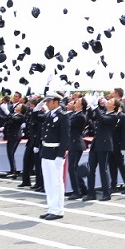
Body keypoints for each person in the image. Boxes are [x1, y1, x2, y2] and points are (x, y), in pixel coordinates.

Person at [39, 92, 70, 220]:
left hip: (55, 152)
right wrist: (39, 103)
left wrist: (60, 155)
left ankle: (58, 210)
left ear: (56, 101)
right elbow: (34, 115)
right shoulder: (48, 115)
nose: (46, 103)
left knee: (56, 183)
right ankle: (51, 207)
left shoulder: (63, 116)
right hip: (46, 151)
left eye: (49, 101)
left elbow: (65, 137)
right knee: (48, 182)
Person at [86, 96, 118, 201]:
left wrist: (96, 107)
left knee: (103, 169)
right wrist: (90, 106)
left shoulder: (114, 116)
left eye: (111, 101)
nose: (108, 101)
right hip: (96, 143)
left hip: (104, 144)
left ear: (114, 107)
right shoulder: (103, 112)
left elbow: (102, 119)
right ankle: (91, 193)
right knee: (91, 169)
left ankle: (106, 193)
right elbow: (92, 117)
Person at [107, 97, 125, 194]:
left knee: (121, 165)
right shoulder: (110, 115)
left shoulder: (122, 116)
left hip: (118, 145)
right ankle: (113, 185)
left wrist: (123, 147)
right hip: (110, 144)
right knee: (112, 165)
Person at [65, 98, 88, 199]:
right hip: (72, 143)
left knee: (72, 168)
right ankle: (82, 188)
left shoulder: (81, 116)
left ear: (81, 105)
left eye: (77, 102)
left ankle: (77, 191)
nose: (75, 102)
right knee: (73, 167)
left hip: (76, 143)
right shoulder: (74, 114)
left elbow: (68, 123)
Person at [3, 101, 25, 179]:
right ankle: (12, 170)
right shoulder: (13, 114)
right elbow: (7, 119)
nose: (17, 106)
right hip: (10, 136)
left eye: (19, 106)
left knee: (11, 153)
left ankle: (14, 171)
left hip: (15, 137)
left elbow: (14, 119)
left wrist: (7, 111)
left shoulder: (21, 116)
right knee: (9, 153)